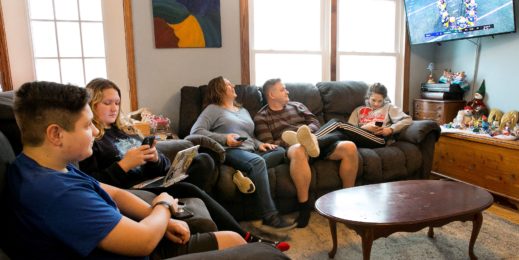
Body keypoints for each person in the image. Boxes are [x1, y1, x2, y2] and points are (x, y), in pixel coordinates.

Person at [5, 81, 245, 259]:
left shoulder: (49, 166)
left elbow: (115, 194)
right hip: (140, 249)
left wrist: (160, 216)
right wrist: (162, 205)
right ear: (56, 134)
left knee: (233, 239)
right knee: (259, 253)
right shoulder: (55, 193)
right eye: (88, 126)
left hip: (136, 237)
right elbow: (142, 242)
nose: (97, 132)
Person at [79, 78, 289, 251]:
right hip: (137, 191)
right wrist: (124, 165)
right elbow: (94, 184)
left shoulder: (126, 130)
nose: (114, 108)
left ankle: (206, 216)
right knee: (188, 187)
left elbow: (159, 167)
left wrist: (154, 157)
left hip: (153, 178)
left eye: (117, 102)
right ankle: (248, 237)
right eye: (107, 103)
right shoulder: (91, 139)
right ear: (92, 104)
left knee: (204, 159)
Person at [190, 76, 297, 233]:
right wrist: (225, 138)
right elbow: (196, 131)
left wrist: (261, 144)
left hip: (250, 150)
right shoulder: (213, 109)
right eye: (227, 84)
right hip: (231, 150)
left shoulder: (243, 110)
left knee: (280, 151)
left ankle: (244, 174)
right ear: (218, 89)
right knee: (258, 163)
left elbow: (250, 136)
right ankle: (271, 216)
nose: (232, 85)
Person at [254, 78, 359, 228]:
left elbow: (315, 122)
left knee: (349, 147)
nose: (287, 91)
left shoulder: (298, 105)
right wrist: (297, 139)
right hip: (292, 147)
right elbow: (271, 145)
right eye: (282, 89)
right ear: (271, 94)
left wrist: (307, 132)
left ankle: (348, 198)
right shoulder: (262, 117)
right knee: (299, 149)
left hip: (315, 140)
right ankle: (304, 208)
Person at [347, 82, 412, 143]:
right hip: (360, 138)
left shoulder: (389, 107)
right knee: (340, 132)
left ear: (384, 99)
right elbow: (349, 130)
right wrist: (364, 128)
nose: (376, 104)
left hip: (380, 139)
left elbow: (407, 119)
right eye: (373, 100)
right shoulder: (358, 110)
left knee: (338, 123)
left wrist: (390, 129)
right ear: (368, 97)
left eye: (380, 101)